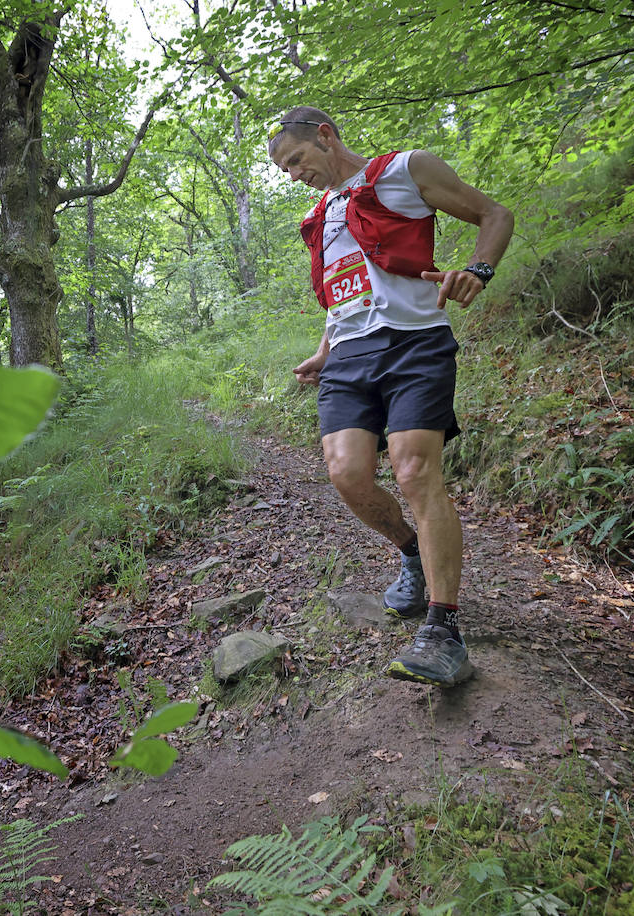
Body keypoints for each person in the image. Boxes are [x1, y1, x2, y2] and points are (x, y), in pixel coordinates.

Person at [267, 106, 514, 688]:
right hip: (350, 357)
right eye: (284, 169)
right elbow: (345, 292)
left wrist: (478, 269)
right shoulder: (321, 214)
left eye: (297, 160)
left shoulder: (405, 170)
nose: (294, 174)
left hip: (415, 344)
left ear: (325, 137)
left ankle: (442, 630)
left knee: (412, 470)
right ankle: (409, 553)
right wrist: (325, 350)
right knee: (347, 474)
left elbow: (494, 214)